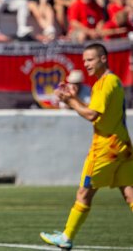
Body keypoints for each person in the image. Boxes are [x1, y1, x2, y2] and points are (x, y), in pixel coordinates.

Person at [40, 43, 133, 250]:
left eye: (90, 59)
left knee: (84, 193)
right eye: (84, 60)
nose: (86, 64)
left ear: (103, 59)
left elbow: (92, 115)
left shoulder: (103, 84)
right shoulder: (114, 81)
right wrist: (72, 99)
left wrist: (70, 101)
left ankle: (66, 237)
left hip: (105, 150)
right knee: (129, 193)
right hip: (123, 146)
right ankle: (66, 236)